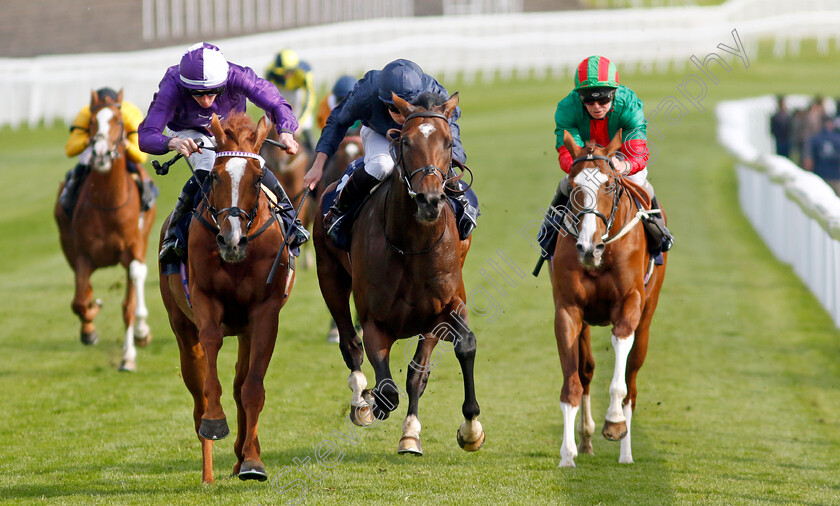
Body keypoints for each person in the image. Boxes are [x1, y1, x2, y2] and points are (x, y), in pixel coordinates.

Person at [138, 42, 309, 264]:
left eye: (213, 92)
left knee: (251, 163)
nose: (207, 101)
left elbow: (276, 103)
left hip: (230, 124)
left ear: (223, 82)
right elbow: (146, 135)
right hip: (187, 128)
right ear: (185, 86)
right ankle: (174, 235)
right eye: (197, 94)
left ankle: (290, 219)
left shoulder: (238, 75)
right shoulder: (172, 83)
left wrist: (286, 131)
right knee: (207, 164)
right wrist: (173, 143)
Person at [302, 58, 477, 242]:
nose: (401, 116)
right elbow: (337, 121)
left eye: (406, 109)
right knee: (382, 165)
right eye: (394, 109)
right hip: (379, 132)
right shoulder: (366, 91)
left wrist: (453, 163)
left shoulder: (435, 93)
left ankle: (465, 208)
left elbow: (450, 133)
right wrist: (318, 165)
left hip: (422, 134)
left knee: (439, 166)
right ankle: (340, 210)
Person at [536, 55, 673, 268]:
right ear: (580, 97)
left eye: (603, 100)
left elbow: (638, 152)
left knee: (643, 185)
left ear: (614, 94)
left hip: (621, 157)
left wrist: (624, 166)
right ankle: (549, 236)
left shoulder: (629, 105)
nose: (596, 106)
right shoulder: (567, 108)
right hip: (586, 158)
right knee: (565, 186)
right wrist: (580, 164)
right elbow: (565, 152)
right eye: (589, 101)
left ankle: (658, 238)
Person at [60, 87, 157, 217]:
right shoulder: (85, 114)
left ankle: (146, 198)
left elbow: (141, 156)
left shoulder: (129, 114)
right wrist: (87, 141)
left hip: (120, 149)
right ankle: (69, 198)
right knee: (79, 170)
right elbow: (70, 149)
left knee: (136, 170)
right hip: (94, 147)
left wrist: (125, 144)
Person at [265, 48, 317, 152]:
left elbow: (308, 99)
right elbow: (267, 95)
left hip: (297, 91)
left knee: (305, 121)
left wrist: (301, 122)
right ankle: (261, 150)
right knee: (267, 121)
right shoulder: (270, 71)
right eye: (281, 73)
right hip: (279, 90)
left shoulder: (305, 73)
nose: (284, 76)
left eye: (288, 72)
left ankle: (312, 150)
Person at [803, 115, 840, 196]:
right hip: (836, 176)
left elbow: (808, 161)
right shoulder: (837, 138)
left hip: (820, 177)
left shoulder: (815, 138)